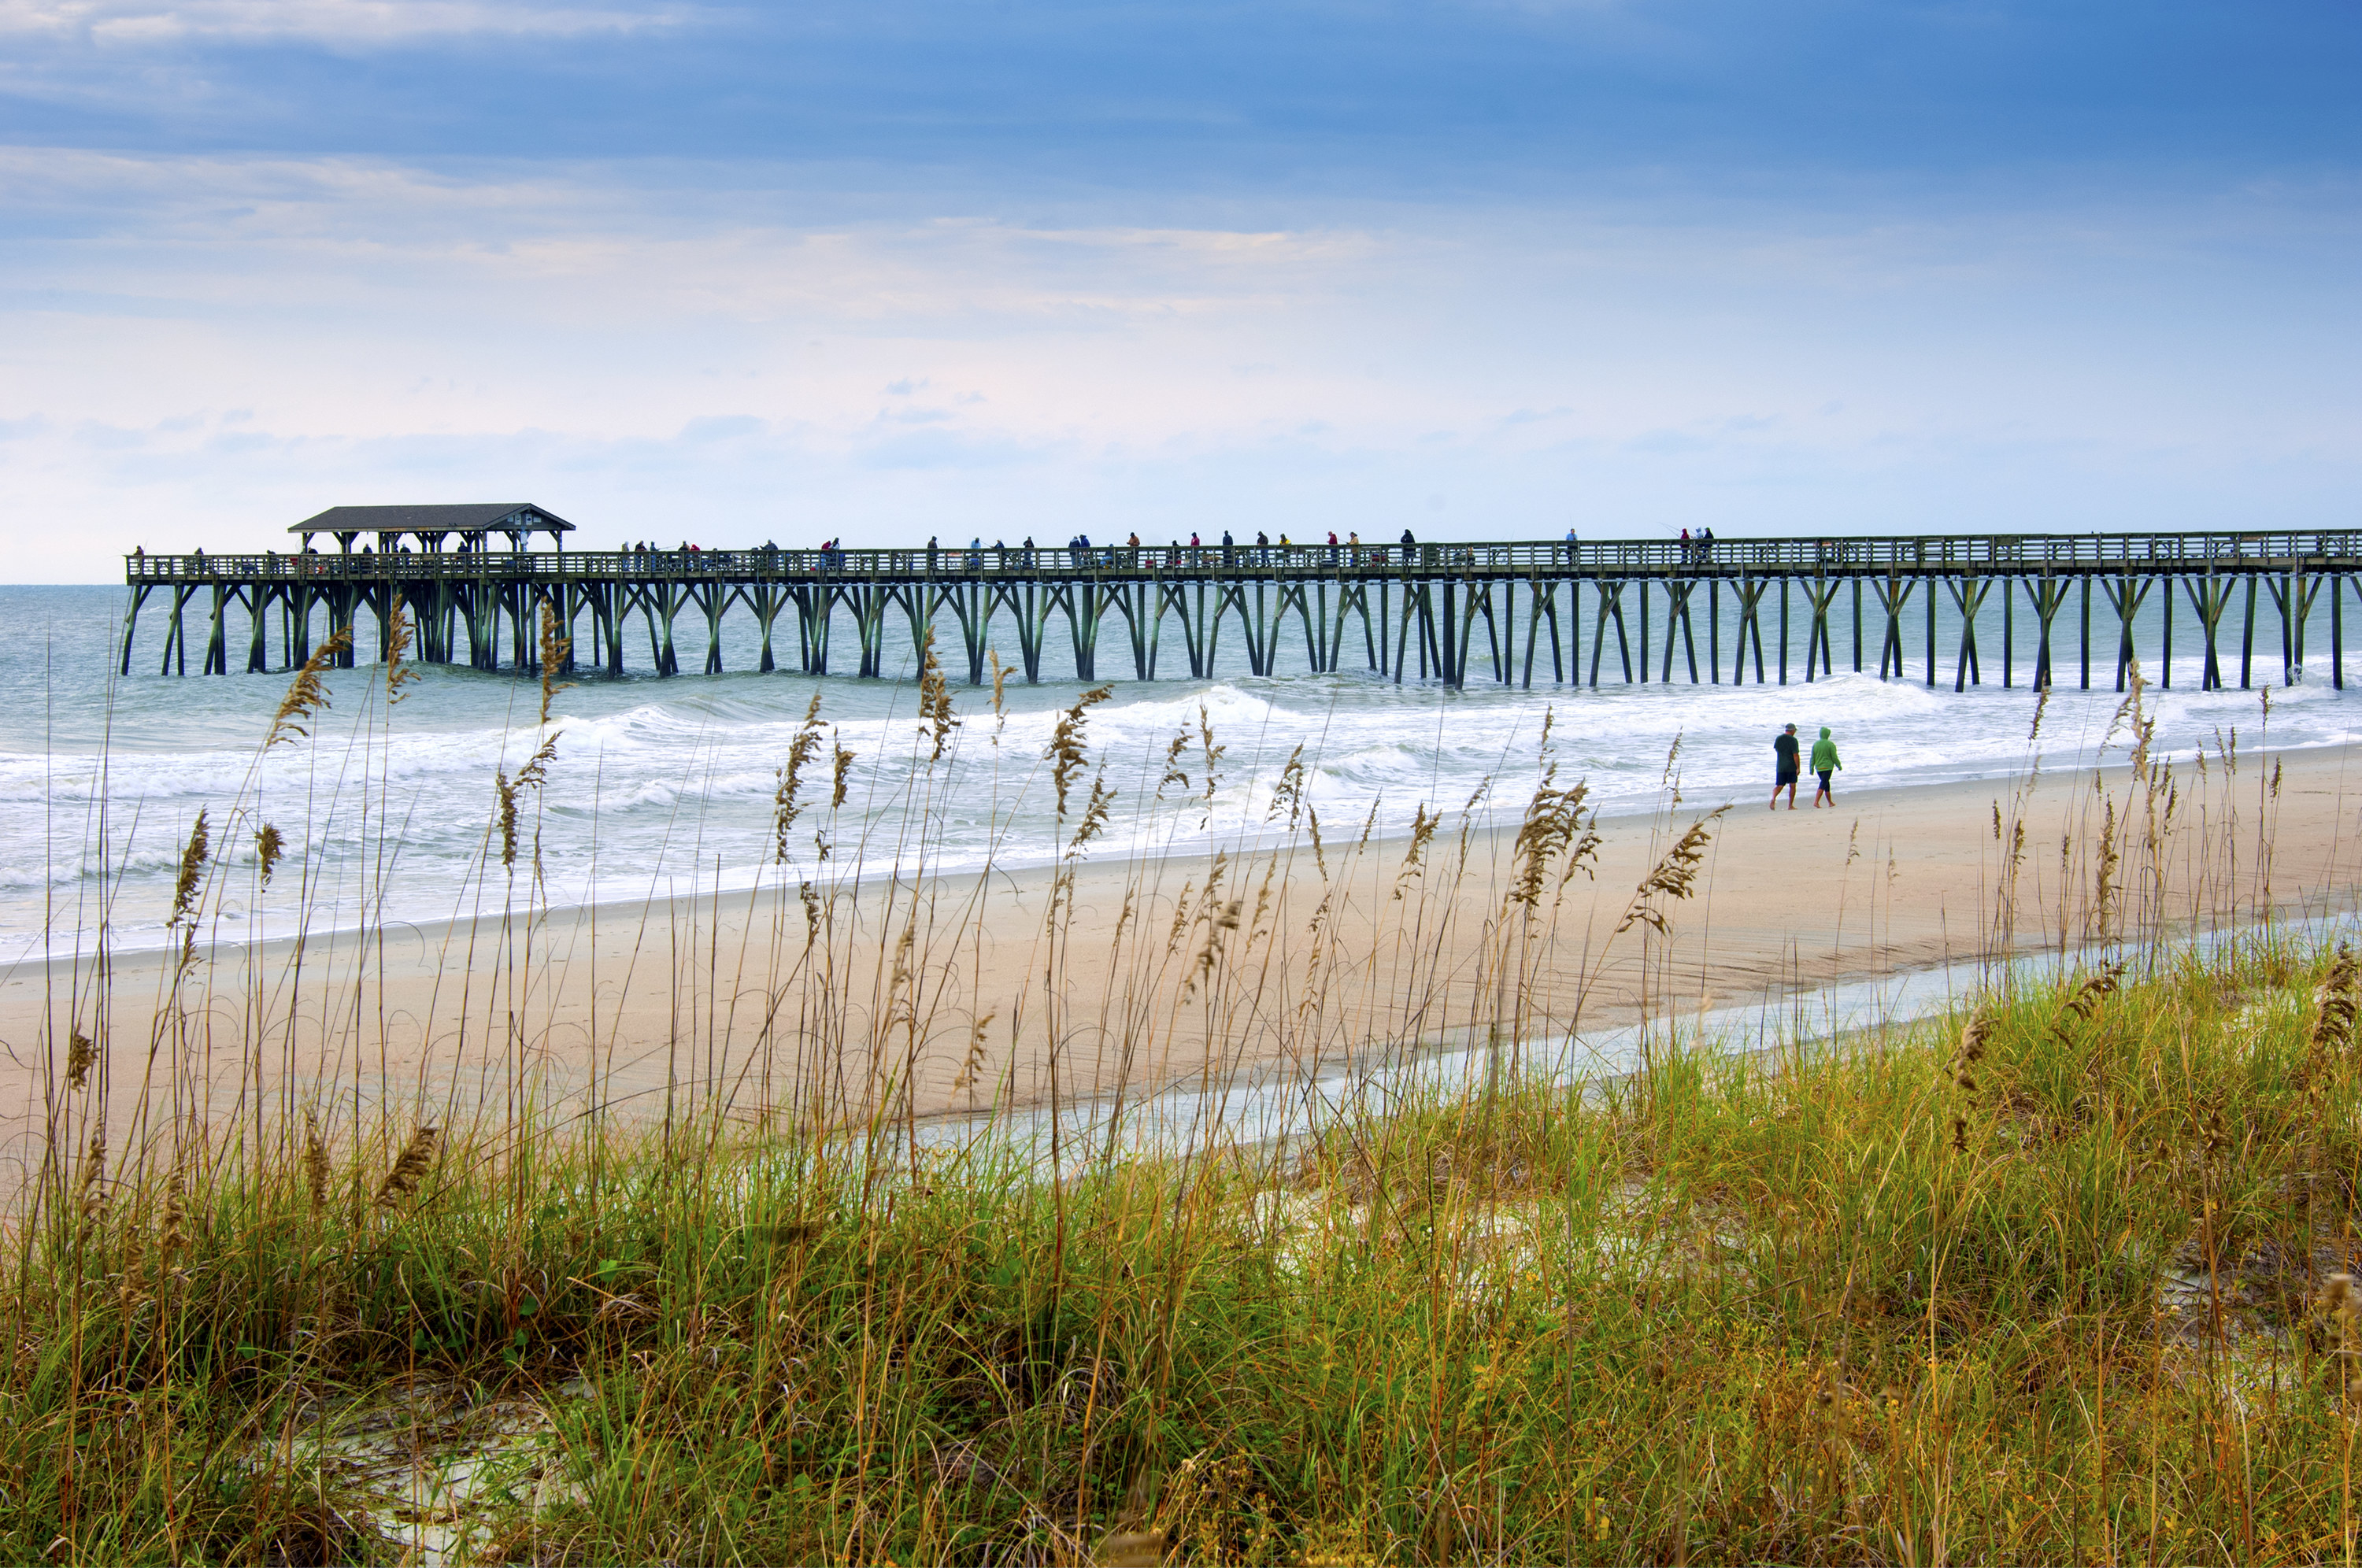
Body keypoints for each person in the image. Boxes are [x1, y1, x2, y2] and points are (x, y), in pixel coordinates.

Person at [1810, 726, 1842, 808]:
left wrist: (1811, 768)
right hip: (1828, 767)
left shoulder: (1816, 744)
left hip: (1819, 768)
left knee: (1826, 784)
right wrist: (1839, 765)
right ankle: (1816, 802)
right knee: (1824, 783)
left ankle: (1830, 802)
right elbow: (1834, 757)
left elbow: (1812, 758)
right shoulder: (1830, 744)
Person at [1772, 723, 1801, 810]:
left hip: (1780, 766)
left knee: (1780, 785)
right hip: (1791, 766)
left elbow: (1777, 750)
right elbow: (1795, 755)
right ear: (1792, 730)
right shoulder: (1793, 740)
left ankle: (1773, 798)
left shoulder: (1779, 738)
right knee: (1792, 785)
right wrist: (1798, 767)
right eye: (1795, 730)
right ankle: (1790, 805)